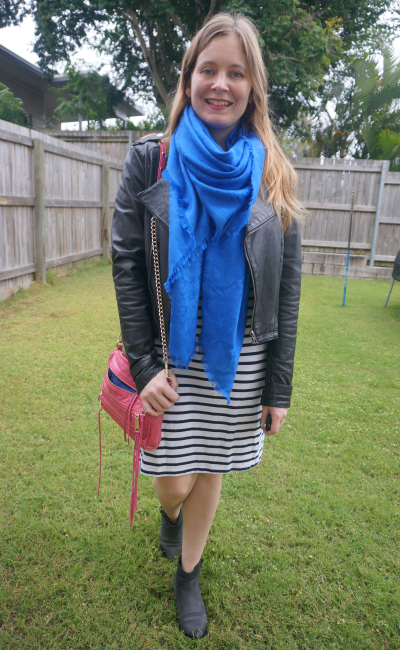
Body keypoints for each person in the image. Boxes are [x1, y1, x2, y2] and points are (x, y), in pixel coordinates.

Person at [112, 12, 302, 639]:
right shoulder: (152, 160)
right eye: (208, 70)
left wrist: (278, 388)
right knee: (172, 478)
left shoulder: (272, 170)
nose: (220, 84)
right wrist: (143, 367)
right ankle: (171, 519)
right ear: (189, 77)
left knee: (211, 466)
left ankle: (188, 570)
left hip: (238, 356)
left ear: (253, 86)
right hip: (170, 358)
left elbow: (288, 285)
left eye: (236, 73)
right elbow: (129, 265)